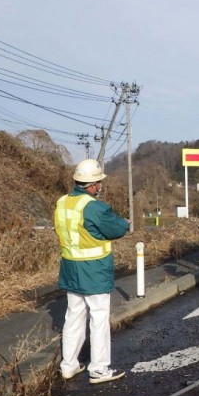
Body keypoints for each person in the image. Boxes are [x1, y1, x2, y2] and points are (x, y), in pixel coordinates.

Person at [54, 159, 130, 384]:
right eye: (99, 182)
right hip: (93, 269)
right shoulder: (94, 206)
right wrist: (124, 223)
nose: (100, 186)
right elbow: (115, 229)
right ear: (93, 184)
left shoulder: (62, 202)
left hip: (70, 268)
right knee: (98, 318)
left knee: (73, 316)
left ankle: (69, 365)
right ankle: (98, 369)